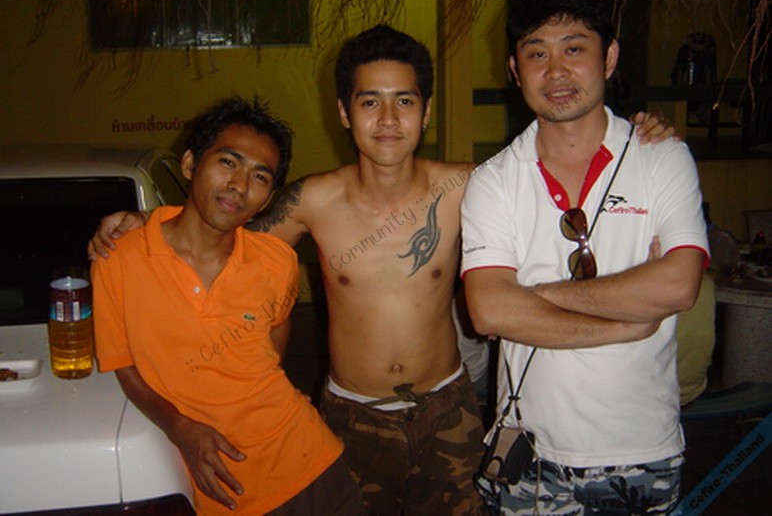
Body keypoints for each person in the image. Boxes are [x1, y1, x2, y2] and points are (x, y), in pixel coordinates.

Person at [88, 26, 678, 515]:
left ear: (426, 111)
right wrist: (147, 223)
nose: (389, 118)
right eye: (370, 101)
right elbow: (225, 226)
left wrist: (636, 134)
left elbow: (559, 161)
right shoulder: (312, 201)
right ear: (344, 113)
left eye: (405, 101)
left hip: (448, 411)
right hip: (352, 417)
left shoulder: (468, 185)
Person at [460, 0, 708, 515]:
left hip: (642, 451)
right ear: (514, 70)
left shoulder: (662, 159)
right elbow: (490, 310)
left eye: (574, 49)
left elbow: (679, 284)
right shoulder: (494, 180)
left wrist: (537, 294)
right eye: (537, 54)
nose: (556, 71)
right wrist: (627, 323)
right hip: (530, 456)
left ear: (609, 57)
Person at [91, 97, 364, 515]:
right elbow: (124, 366)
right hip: (219, 485)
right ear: (190, 164)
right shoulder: (119, 258)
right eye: (228, 162)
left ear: (268, 198)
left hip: (311, 467)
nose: (240, 185)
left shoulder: (277, 262)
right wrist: (180, 427)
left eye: (260, 176)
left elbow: (273, 349)